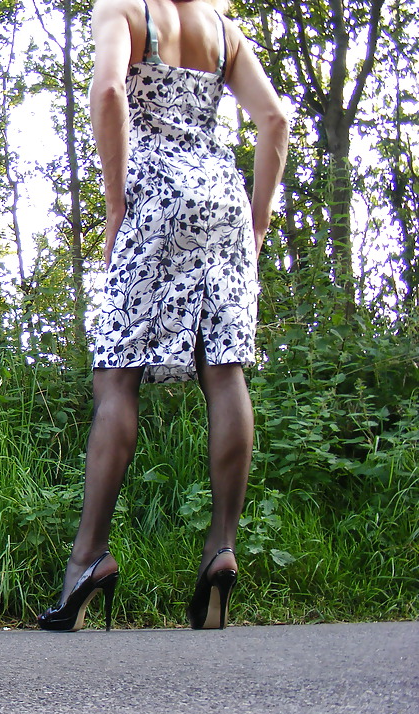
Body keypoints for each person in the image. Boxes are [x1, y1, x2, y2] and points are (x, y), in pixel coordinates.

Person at [38, 0, 289, 631]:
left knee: (116, 376)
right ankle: (221, 549)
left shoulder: (125, 10)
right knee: (224, 371)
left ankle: (87, 560)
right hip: (220, 193)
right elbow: (275, 120)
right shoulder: (223, 30)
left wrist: (116, 200)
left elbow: (109, 92)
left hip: (152, 188)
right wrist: (255, 219)